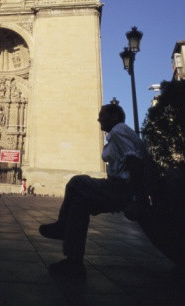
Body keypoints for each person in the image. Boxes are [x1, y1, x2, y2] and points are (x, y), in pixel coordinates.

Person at [39, 104, 144, 279]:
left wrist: (136, 199)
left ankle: (61, 227)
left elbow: (135, 161)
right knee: (79, 205)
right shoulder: (117, 133)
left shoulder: (119, 131)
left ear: (114, 117)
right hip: (118, 186)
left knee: (76, 182)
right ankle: (74, 263)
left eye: (102, 115)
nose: (98, 119)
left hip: (121, 187)